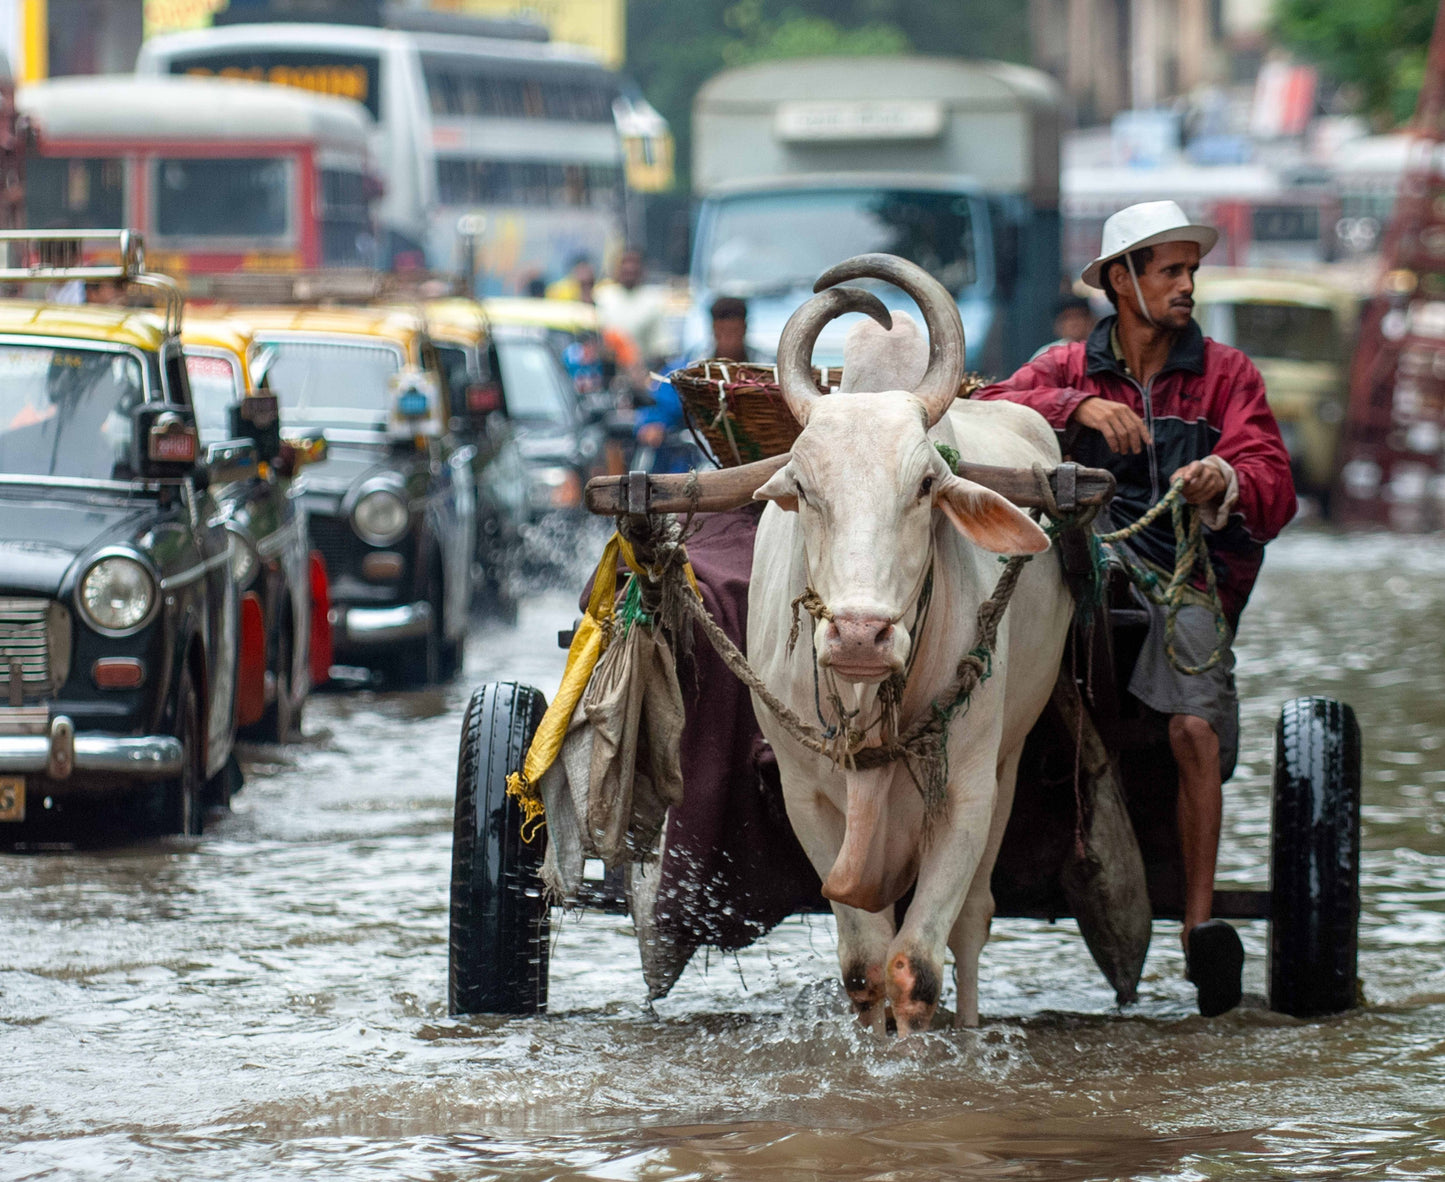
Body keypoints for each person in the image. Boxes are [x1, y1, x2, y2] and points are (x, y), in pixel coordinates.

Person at [974, 200, 1297, 1017]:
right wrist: (1071, 409)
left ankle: (1196, 931)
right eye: (1170, 271)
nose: (1187, 285)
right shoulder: (1061, 366)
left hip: (1177, 581)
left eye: (1190, 271)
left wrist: (1222, 478)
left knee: (1192, 725)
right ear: (1122, 282)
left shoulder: (1227, 375)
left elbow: (1270, 479)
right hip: (1076, 570)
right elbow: (986, 409)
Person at [636, 296, 757, 459]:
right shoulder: (690, 368)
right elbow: (662, 403)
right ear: (713, 329)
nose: (728, 340)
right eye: (722, 333)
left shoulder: (763, 368)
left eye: (734, 332)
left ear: (745, 328)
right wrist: (654, 424)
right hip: (700, 456)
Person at [594, 247, 676, 370]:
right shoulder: (603, 297)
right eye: (625, 262)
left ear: (643, 269)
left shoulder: (652, 302)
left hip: (639, 375)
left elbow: (661, 350)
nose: (629, 268)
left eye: (634, 263)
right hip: (604, 372)